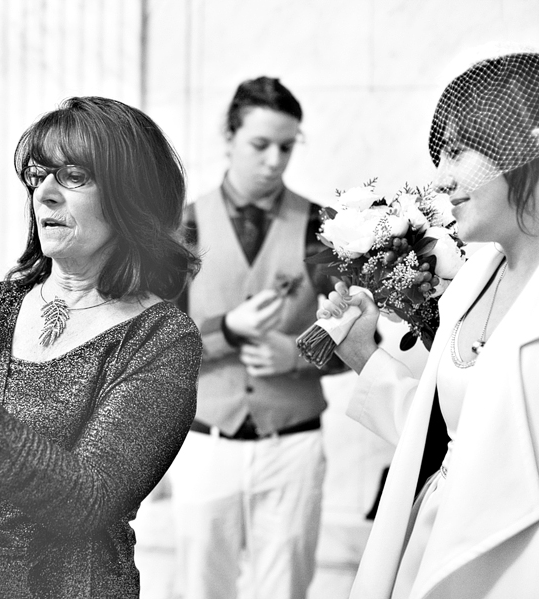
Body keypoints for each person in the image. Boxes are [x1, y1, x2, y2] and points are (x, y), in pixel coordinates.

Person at [0, 96, 202, 598]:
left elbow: (87, 499)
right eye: (36, 175)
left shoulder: (161, 339)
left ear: (131, 195)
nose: (44, 194)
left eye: (73, 175)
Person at [320, 52, 539, 598]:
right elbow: (457, 438)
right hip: (431, 542)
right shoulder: (477, 275)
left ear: (538, 148)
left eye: (457, 152)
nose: (441, 179)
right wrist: (365, 355)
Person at [171, 76, 341, 599]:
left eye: (286, 147)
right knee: (202, 588)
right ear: (228, 138)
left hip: (293, 442)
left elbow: (360, 336)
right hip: (204, 441)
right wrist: (227, 329)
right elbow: (155, 346)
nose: (274, 161)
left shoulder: (323, 226)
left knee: (286, 588)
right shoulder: (182, 226)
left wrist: (297, 352)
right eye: (260, 145)